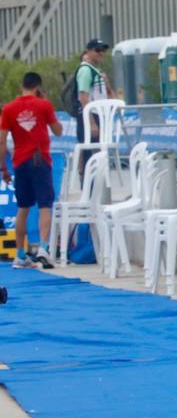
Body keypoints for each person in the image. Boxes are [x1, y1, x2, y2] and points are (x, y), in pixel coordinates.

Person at [0, 72, 62, 269]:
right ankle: (43, 248)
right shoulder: (43, 105)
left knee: (23, 208)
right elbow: (58, 131)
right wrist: (44, 102)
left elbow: (1, 141)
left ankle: (19, 255)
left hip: (19, 161)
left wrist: (3, 168)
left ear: (22, 85)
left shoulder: (9, 109)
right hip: (40, 159)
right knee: (45, 205)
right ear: (38, 87)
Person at [74, 38, 111, 143]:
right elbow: (83, 98)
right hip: (90, 116)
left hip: (99, 115)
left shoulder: (97, 71)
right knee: (89, 154)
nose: (101, 53)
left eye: (103, 50)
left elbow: (109, 96)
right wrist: (91, 122)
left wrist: (108, 86)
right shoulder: (86, 70)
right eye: (97, 50)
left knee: (100, 152)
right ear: (88, 52)